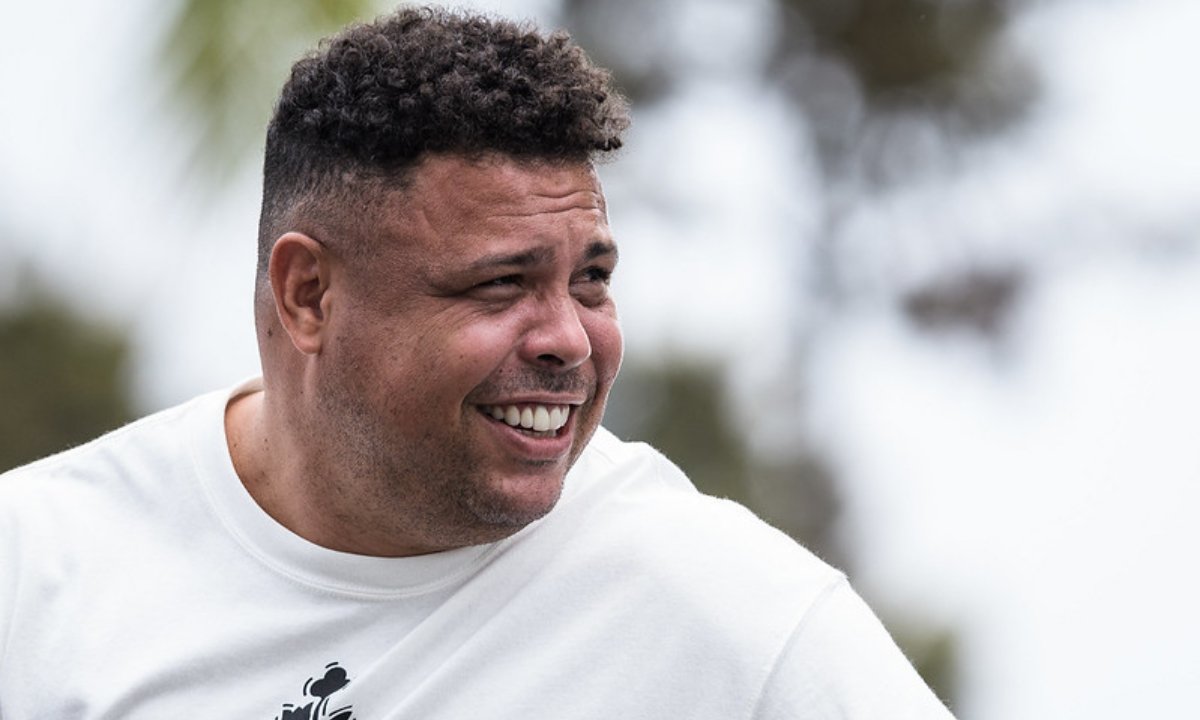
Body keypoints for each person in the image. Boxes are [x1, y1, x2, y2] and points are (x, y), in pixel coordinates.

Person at [0, 6, 955, 719]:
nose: (569, 339)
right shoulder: (36, 573)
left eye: (590, 280)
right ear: (309, 296)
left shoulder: (731, 615)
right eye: (501, 285)